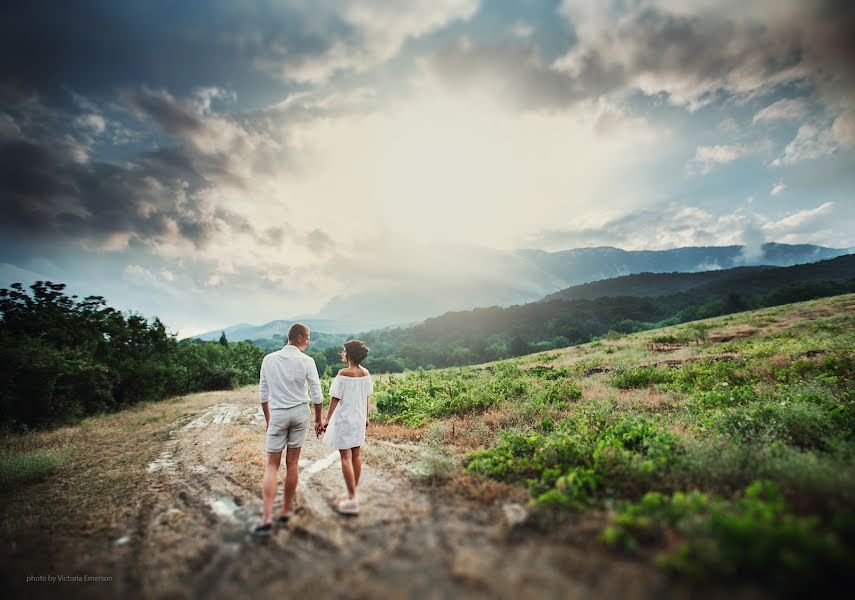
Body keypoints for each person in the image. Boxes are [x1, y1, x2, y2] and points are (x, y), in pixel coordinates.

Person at [252, 323, 324, 536]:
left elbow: (263, 394)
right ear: (300, 338)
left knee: (272, 466)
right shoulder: (307, 361)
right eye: (308, 337)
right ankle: (284, 512)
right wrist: (319, 420)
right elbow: (317, 395)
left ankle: (266, 517)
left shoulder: (269, 359)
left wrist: (268, 420)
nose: (309, 341)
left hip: (279, 414)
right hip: (300, 414)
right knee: (292, 464)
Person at [322, 339, 372, 515]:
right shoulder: (366, 373)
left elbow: (335, 398)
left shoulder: (343, 373)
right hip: (358, 418)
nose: (342, 353)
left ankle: (351, 498)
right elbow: (366, 397)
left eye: (344, 351)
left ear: (349, 354)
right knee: (356, 455)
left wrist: (327, 420)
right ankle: (353, 493)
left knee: (345, 457)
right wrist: (366, 416)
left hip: (344, 419)